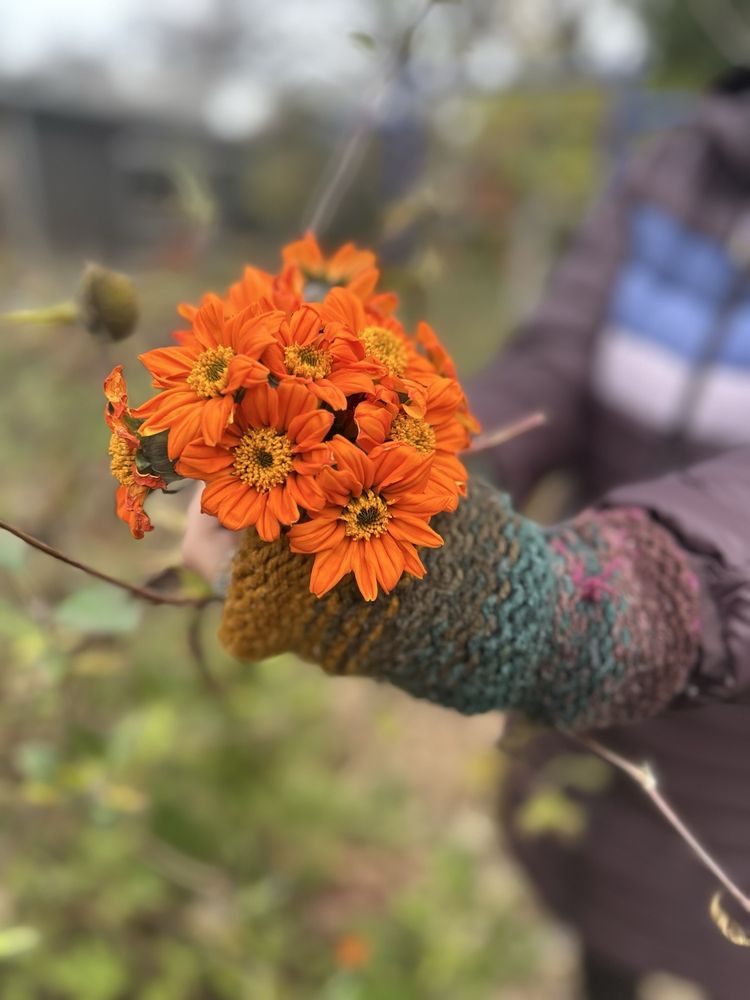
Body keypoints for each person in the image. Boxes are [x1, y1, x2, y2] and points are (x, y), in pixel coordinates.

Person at [183, 72, 750, 999]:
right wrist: (424, 459)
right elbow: (554, 362)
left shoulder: (576, 616)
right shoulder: (673, 170)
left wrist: (596, 605)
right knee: (598, 918)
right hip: (587, 705)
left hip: (701, 707)